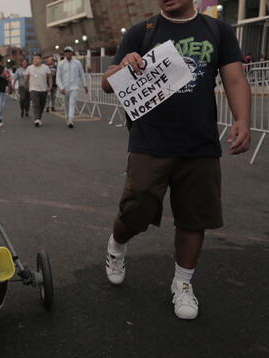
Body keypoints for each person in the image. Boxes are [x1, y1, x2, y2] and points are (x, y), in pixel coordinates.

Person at [100, 0, 251, 320]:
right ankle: (116, 245)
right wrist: (123, 66)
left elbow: (235, 79)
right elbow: (107, 82)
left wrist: (242, 119)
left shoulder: (217, 30)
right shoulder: (142, 32)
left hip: (200, 143)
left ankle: (182, 284)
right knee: (136, 207)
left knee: (195, 217)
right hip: (149, 141)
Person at [56, 47, 87, 129]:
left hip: (74, 87)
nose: (68, 54)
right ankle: (67, 116)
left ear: (72, 53)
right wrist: (61, 87)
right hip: (64, 88)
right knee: (66, 104)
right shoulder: (61, 64)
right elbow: (58, 77)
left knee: (72, 103)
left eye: (69, 52)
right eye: (66, 52)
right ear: (64, 54)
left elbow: (82, 74)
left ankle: (70, 119)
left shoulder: (77, 63)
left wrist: (85, 85)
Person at [25, 54, 52, 127]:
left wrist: (50, 86)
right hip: (33, 89)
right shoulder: (29, 68)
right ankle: (36, 119)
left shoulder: (45, 67)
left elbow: (49, 77)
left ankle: (39, 118)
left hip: (43, 89)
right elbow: (26, 78)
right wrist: (26, 85)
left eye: (36, 58)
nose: (34, 60)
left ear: (41, 60)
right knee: (35, 104)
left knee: (42, 105)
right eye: (33, 59)